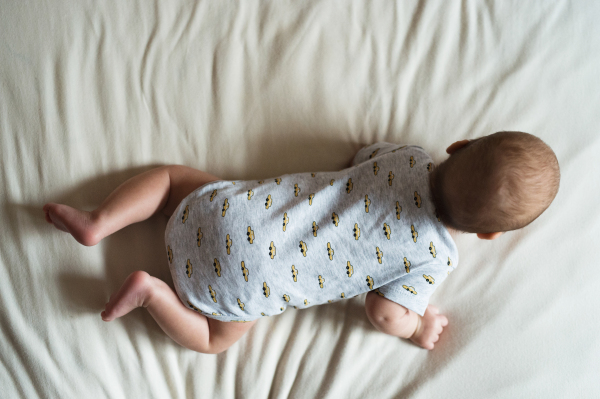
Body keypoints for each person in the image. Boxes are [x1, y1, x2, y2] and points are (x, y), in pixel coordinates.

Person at [43, 131, 560, 353]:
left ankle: (99, 222)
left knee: (173, 181)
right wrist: (416, 326)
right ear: (488, 234)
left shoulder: (408, 158)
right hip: (246, 287)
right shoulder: (433, 260)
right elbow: (383, 313)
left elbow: (363, 153)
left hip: (236, 214)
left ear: (459, 146)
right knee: (216, 341)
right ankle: (154, 293)